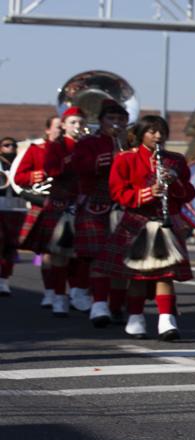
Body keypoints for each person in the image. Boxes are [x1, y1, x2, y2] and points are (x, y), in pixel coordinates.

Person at [108, 115, 195, 340]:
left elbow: (189, 194)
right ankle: (135, 318)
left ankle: (167, 321)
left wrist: (174, 180)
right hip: (138, 221)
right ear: (140, 134)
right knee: (138, 276)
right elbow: (118, 193)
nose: (158, 136)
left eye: (162, 131)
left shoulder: (175, 160)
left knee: (164, 276)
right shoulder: (125, 159)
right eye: (152, 131)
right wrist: (148, 193)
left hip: (167, 221)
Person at [66, 100, 133, 327]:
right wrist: (107, 159)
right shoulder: (89, 143)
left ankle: (116, 306)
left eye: (120, 119)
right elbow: (79, 167)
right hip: (97, 204)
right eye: (111, 119)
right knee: (99, 257)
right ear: (102, 121)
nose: (116, 123)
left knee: (124, 260)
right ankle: (99, 304)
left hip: (128, 204)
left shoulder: (133, 142)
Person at [16, 109, 84, 315]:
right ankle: (53, 293)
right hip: (49, 202)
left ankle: (75, 292)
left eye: (79, 122)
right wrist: (38, 176)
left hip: (79, 203)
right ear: (55, 127)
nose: (78, 127)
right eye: (70, 123)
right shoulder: (39, 149)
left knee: (78, 254)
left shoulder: (84, 145)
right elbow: (21, 177)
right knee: (52, 253)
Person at [1, 135, 26, 297]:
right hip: (0, 206)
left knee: (11, 246)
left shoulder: (20, 162)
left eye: (13, 145)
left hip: (17, 209)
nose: (11, 148)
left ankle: (4, 280)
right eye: (7, 145)